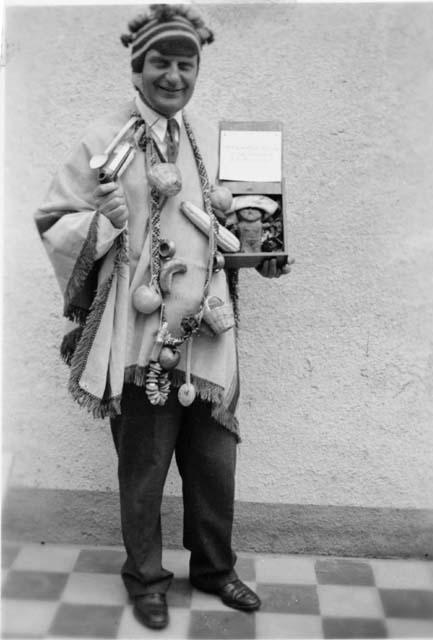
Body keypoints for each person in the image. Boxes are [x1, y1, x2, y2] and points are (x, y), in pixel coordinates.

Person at [35, 4, 292, 631]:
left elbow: (234, 226)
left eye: (186, 63)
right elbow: (54, 220)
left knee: (214, 463)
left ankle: (213, 569)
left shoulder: (211, 139)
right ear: (137, 68)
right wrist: (101, 225)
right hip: (142, 337)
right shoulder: (105, 140)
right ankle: (146, 580)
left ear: (197, 70)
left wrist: (263, 254)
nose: (174, 75)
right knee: (144, 467)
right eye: (161, 62)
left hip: (207, 333)